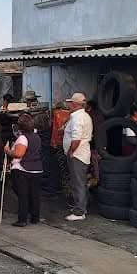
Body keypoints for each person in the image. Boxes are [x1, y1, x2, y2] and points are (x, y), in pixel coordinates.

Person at [5, 113, 43, 227]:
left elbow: (18, 154)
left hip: (23, 168)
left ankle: (22, 219)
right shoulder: (36, 136)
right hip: (36, 168)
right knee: (34, 194)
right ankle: (35, 217)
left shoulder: (23, 138)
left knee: (23, 195)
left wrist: (8, 151)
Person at [63, 92, 94, 222]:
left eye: (71, 103)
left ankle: (80, 211)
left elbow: (76, 139)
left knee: (78, 183)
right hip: (82, 153)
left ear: (75, 104)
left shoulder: (77, 118)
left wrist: (71, 151)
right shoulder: (84, 116)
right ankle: (80, 207)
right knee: (79, 182)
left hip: (77, 155)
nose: (69, 105)